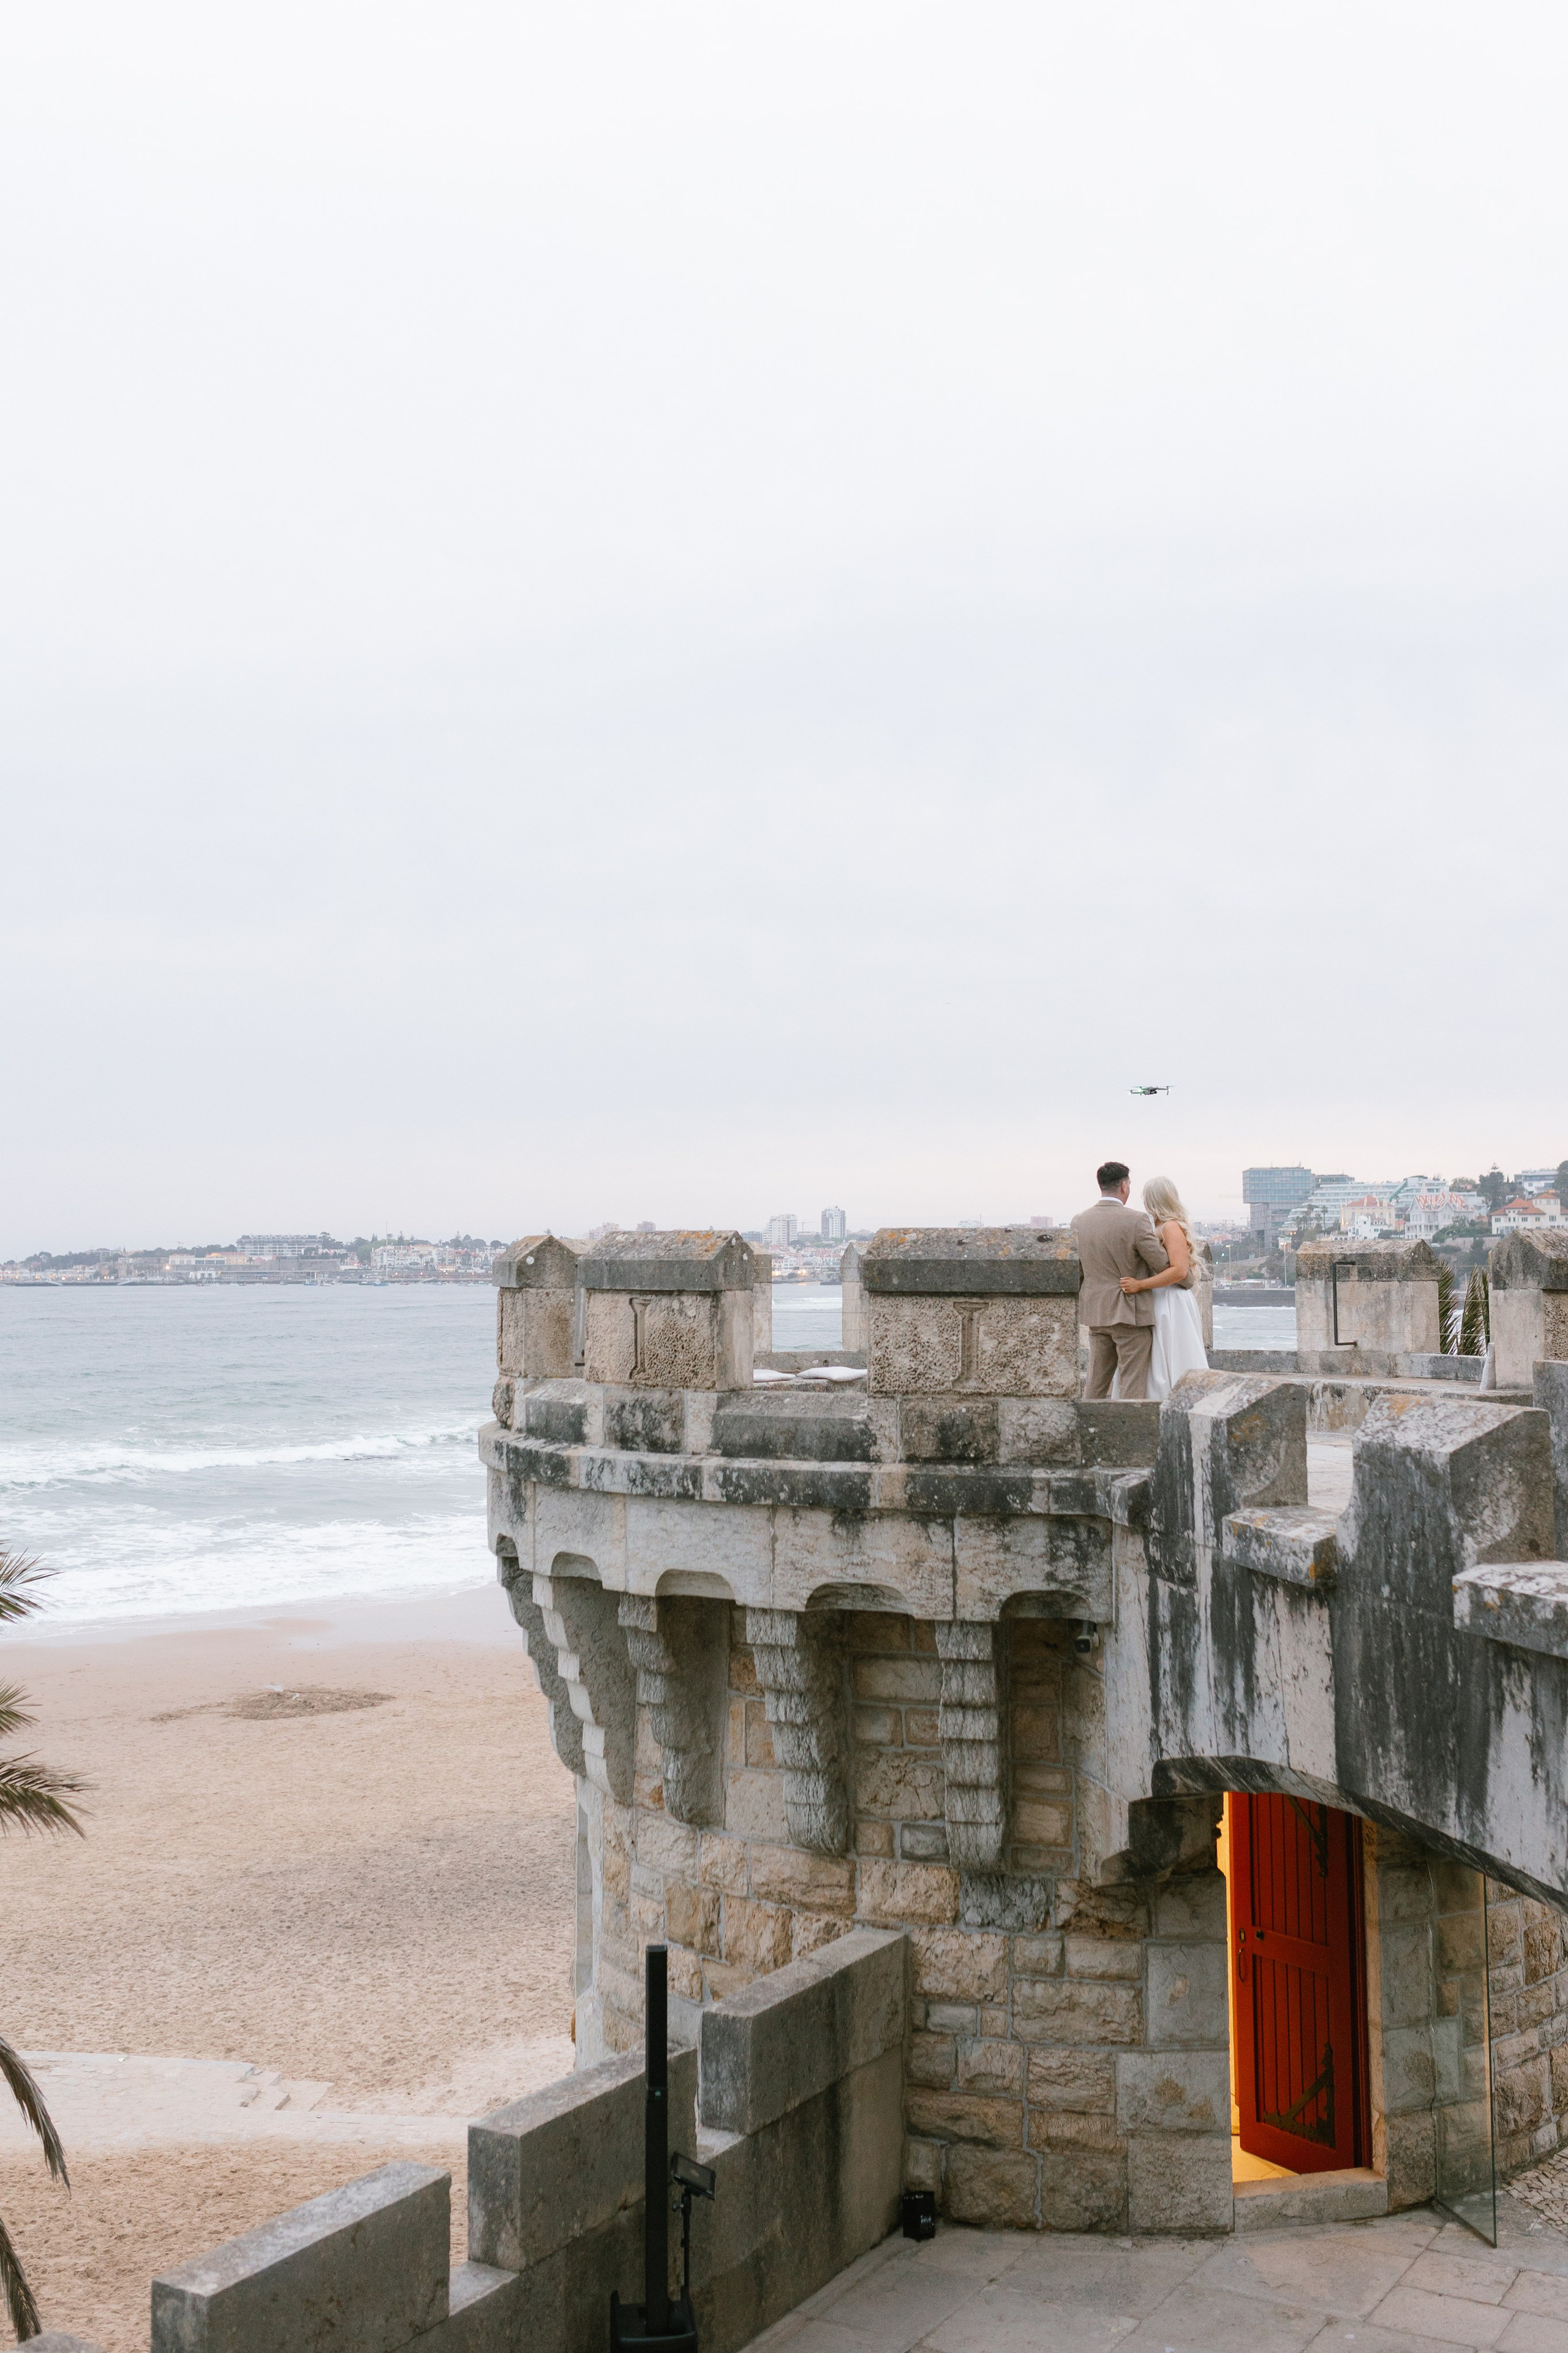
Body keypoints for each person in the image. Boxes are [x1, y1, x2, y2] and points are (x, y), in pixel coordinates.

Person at [1070, 1161, 1169, 1400]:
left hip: (1097, 1312)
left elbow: (1079, 1271)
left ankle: (1088, 1432)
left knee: (1095, 1384)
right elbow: (1162, 1263)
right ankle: (1128, 1435)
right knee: (1131, 1386)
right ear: (1124, 1186)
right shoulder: (1136, 1221)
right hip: (1129, 1314)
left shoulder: (1079, 1221)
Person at [1115, 1174, 1210, 1401]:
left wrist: (1140, 1285)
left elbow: (1179, 1271)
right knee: (1157, 1357)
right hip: (1159, 1297)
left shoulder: (1170, 1227)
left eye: (1147, 1197)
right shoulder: (1155, 1225)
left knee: (1173, 1354)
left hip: (1170, 1300)